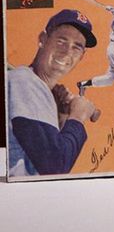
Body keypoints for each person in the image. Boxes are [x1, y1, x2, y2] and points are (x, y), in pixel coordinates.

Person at [6, 9, 99, 176]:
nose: (67, 52)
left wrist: (63, 115)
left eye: (76, 48)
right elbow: (55, 166)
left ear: (82, 56)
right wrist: (78, 116)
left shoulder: (38, 88)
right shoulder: (24, 81)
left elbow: (43, 153)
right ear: (43, 39)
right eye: (61, 41)